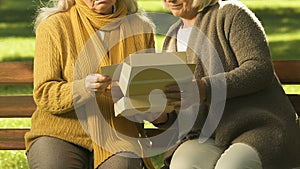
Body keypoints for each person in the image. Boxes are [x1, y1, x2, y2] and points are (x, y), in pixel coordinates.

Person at [152, 0, 300, 168]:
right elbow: (183, 111)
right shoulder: (172, 36)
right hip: (207, 136)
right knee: (183, 164)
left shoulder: (230, 14)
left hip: (258, 126)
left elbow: (259, 68)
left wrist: (205, 88)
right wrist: (161, 116)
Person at [25, 0, 156, 168]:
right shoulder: (54, 25)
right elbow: (45, 92)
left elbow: (148, 88)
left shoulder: (141, 28)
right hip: (60, 132)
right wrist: (84, 88)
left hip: (118, 134)